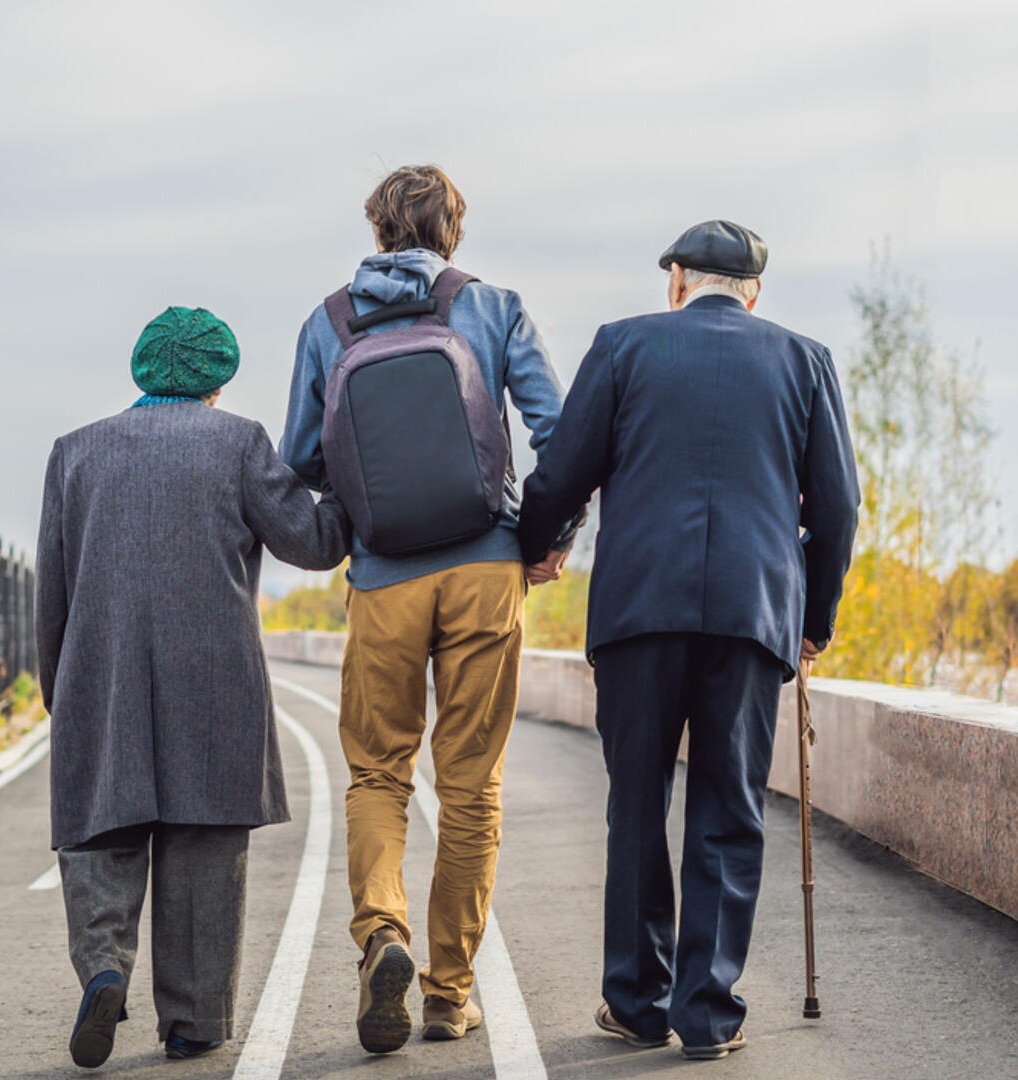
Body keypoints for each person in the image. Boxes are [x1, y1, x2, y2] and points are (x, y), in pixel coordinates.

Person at [517, 220, 860, 1061]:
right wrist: (812, 620)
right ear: (752, 291)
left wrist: (538, 547)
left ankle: (636, 1001)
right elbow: (839, 506)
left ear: (677, 280)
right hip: (750, 619)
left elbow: (563, 470)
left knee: (635, 802)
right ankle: (706, 1014)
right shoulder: (804, 360)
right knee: (728, 808)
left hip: (638, 612)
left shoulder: (624, 346)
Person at [279, 164, 574, 1054]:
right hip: (487, 571)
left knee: (377, 775)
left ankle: (384, 935)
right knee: (471, 787)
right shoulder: (494, 307)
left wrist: (362, 526)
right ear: (454, 232)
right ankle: (450, 994)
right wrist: (546, 542)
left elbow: (300, 461)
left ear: (376, 233)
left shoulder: (327, 323)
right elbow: (558, 431)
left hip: (385, 579)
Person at [36, 306, 350, 1069]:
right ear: (216, 381)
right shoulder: (238, 441)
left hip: (101, 674)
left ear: (142, 370)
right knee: (204, 844)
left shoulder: (75, 454)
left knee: (101, 834)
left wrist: (63, 692)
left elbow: (54, 588)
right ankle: (192, 1022)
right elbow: (311, 542)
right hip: (214, 680)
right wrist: (348, 485)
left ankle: (106, 967)